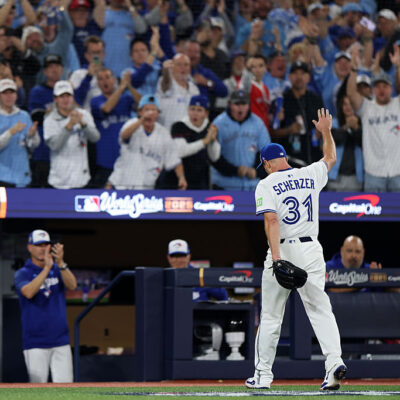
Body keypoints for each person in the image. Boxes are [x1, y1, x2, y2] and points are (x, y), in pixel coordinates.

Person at [247, 108, 347, 391]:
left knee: (271, 316)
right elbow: (330, 157)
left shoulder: (266, 183)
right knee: (320, 308)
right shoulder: (311, 173)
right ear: (286, 159)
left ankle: (263, 376)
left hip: (284, 249)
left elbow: (272, 219)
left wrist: (277, 259)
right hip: (312, 249)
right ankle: (333, 363)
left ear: (266, 164)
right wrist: (326, 131)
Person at [14, 229, 77, 383]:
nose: (42, 248)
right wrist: (47, 269)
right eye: (38, 245)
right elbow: (28, 292)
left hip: (60, 340)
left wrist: (60, 263)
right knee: (37, 389)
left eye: (45, 245)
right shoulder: (23, 273)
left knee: (65, 389)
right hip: (35, 342)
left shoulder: (58, 270)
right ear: (30, 247)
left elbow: (72, 285)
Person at [106, 94, 187, 190]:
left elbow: (174, 160)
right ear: (140, 112)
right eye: (147, 110)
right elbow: (124, 135)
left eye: (154, 110)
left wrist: (181, 177)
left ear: (158, 114)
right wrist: (141, 120)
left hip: (145, 189)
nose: (150, 113)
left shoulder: (164, 134)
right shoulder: (133, 123)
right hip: (120, 185)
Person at [347, 50, 400, 192]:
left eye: (385, 86)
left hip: (398, 171)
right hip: (374, 173)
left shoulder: (398, 104)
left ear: (391, 89)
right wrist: (353, 70)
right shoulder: (367, 107)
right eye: (377, 86)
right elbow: (351, 94)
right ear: (372, 90)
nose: (381, 90)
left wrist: (398, 67)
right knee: (374, 215)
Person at [44, 80, 100, 189]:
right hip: (59, 181)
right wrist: (69, 126)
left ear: (73, 97)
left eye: (68, 95)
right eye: (61, 96)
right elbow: (54, 146)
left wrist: (83, 124)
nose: (66, 100)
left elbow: (95, 137)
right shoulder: (50, 120)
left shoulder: (84, 114)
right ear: (55, 99)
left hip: (82, 179)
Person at [211, 89, 271, 191]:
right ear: (229, 104)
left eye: (244, 104)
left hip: (252, 186)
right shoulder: (218, 124)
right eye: (236, 104)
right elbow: (213, 157)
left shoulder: (257, 123)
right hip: (224, 186)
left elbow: (267, 152)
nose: (240, 108)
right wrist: (234, 170)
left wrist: (257, 171)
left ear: (249, 105)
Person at [89, 67, 137, 187]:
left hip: (127, 160)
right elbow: (107, 108)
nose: (105, 81)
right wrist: (121, 87)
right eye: (100, 79)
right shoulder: (95, 101)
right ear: (98, 84)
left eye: (108, 77)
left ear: (114, 79)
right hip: (106, 161)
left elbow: (143, 105)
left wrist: (129, 86)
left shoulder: (126, 98)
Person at [28, 54, 64, 188]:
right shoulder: (37, 91)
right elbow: (36, 117)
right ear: (45, 71)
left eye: (57, 66)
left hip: (63, 154)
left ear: (62, 69)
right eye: (50, 67)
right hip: (43, 152)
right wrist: (60, 109)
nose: (54, 69)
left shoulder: (69, 91)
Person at [0, 78, 39, 187]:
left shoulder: (24, 116)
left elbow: (34, 145)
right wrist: (10, 132)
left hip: (22, 176)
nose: (9, 96)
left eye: (11, 92)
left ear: (16, 95)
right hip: (2, 177)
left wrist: (32, 136)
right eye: (5, 93)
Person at [327, 95, 363, 192]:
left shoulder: (362, 124)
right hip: (335, 176)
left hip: (355, 178)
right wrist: (347, 126)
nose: (348, 107)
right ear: (340, 107)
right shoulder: (333, 123)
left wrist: (355, 128)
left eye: (351, 104)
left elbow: (363, 142)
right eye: (345, 104)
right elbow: (334, 140)